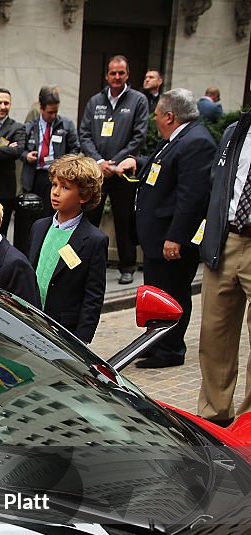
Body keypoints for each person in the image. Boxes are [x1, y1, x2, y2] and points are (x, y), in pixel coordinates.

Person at [115, 89, 215, 368]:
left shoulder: (196, 141)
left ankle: (170, 350)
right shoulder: (177, 138)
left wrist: (176, 237)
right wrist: (138, 161)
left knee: (173, 294)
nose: (154, 119)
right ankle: (156, 342)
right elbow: (164, 167)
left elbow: (191, 197)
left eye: (157, 114)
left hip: (171, 242)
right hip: (157, 238)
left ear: (170, 116)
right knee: (158, 293)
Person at [197, 90, 251, 426]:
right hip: (227, 240)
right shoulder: (236, 131)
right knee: (214, 337)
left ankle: (249, 426)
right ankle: (214, 419)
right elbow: (218, 187)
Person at [79, 54, 149, 285]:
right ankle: (83, 263)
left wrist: (115, 163)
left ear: (127, 75)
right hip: (97, 172)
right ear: (106, 75)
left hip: (123, 173)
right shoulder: (94, 101)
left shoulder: (138, 100)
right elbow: (85, 135)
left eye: (121, 73)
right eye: (112, 73)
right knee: (90, 217)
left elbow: (138, 137)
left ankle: (127, 266)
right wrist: (100, 163)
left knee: (123, 220)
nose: (116, 77)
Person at [27, 155, 108, 344]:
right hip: (32, 321)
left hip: (65, 329)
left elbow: (93, 295)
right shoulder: (39, 227)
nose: (55, 192)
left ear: (84, 196)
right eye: (54, 185)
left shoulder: (94, 240)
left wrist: (82, 340)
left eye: (65, 188)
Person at [22, 87, 81, 222]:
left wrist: (64, 164)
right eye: (50, 112)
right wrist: (26, 156)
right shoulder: (30, 126)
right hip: (35, 176)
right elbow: (20, 149)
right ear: (41, 109)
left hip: (57, 176)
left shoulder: (66, 125)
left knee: (52, 215)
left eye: (56, 111)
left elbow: (75, 148)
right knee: (34, 217)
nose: (54, 116)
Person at [0, 88, 26, 235]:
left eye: (6, 103)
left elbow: (18, 151)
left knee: (1, 232)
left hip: (5, 189)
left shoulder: (17, 127)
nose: (2, 107)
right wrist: (5, 150)